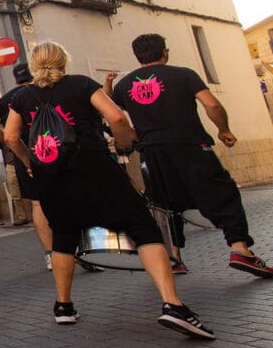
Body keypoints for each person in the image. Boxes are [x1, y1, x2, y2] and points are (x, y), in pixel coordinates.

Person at [5, 40, 215, 338]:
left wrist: (30, 163)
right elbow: (117, 116)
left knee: (63, 237)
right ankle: (172, 304)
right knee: (143, 227)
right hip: (94, 169)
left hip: (51, 176)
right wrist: (125, 143)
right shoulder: (81, 84)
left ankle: (64, 306)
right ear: (63, 61)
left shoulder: (23, 96)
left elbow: (11, 137)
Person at [108, 33, 272, 278]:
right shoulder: (184, 75)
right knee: (223, 193)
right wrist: (224, 130)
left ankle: (174, 258)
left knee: (164, 205)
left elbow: (112, 117)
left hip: (152, 153)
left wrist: (135, 137)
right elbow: (212, 105)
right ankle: (240, 249)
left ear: (137, 56)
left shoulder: (124, 85)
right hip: (190, 146)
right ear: (165, 52)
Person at [0, 62, 55, 270]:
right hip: (52, 148)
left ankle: (50, 255)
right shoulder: (43, 90)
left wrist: (7, 141)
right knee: (64, 197)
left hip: (23, 154)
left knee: (37, 204)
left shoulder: (8, 98)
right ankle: (75, 248)